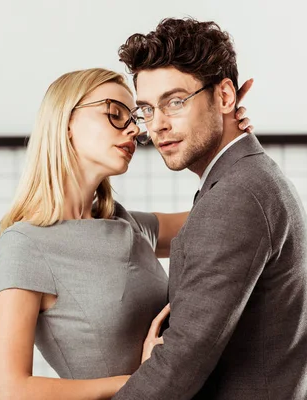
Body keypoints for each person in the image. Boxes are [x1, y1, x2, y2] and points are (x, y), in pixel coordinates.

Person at [0, 66, 252, 399]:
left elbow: (229, 215)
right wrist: (142, 381)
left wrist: (225, 133)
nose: (134, 131)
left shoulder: (128, 225)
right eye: (115, 114)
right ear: (66, 121)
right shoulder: (25, 244)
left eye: (134, 119)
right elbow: (9, 389)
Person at [111, 18, 307, 400]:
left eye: (175, 102)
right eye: (147, 109)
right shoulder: (244, 178)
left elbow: (183, 359)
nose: (158, 125)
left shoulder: (238, 193)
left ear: (225, 97)